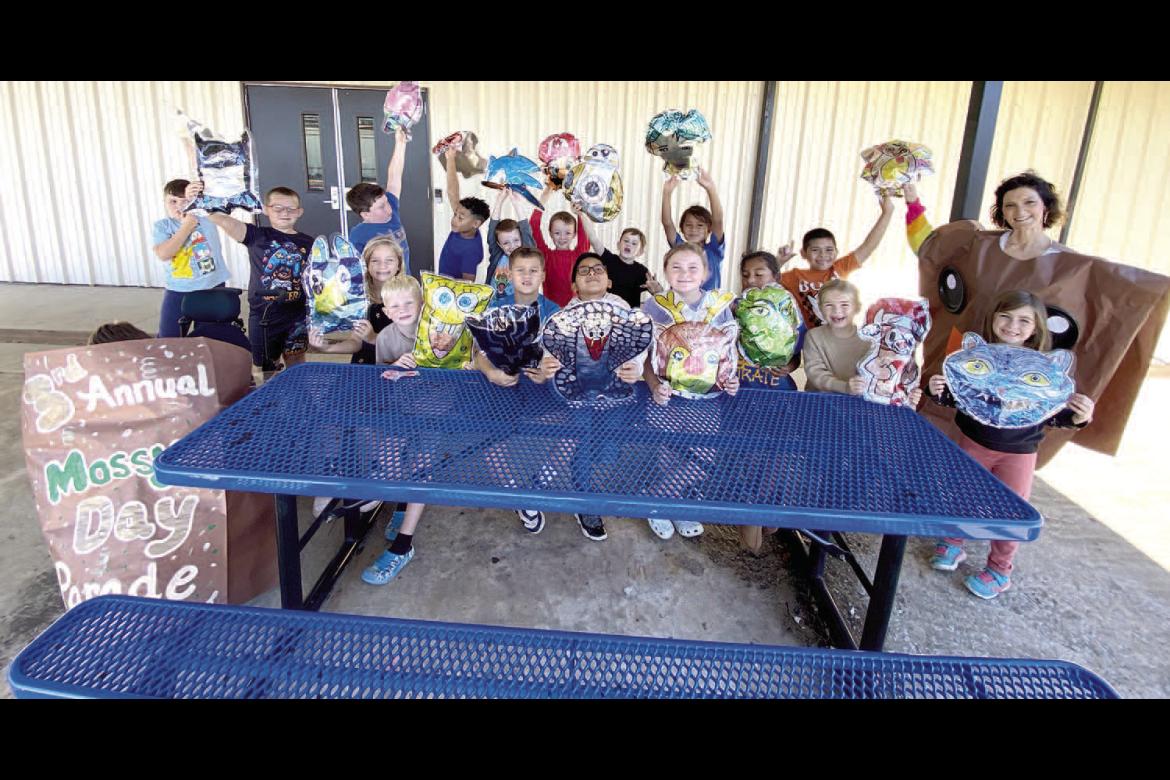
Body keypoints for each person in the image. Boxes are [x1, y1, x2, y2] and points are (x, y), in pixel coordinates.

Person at [925, 289, 1094, 599]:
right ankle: (954, 543)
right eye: (1006, 316)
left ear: (1036, 328)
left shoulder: (1043, 370)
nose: (1013, 325)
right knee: (960, 496)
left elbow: (1054, 415)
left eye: (1023, 320)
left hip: (1019, 452)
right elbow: (962, 400)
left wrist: (1079, 417)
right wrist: (936, 390)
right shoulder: (975, 357)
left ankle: (1000, 570)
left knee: (1011, 511)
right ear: (994, 319)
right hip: (972, 442)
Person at [641, 242, 740, 540]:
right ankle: (679, 505)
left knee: (703, 458)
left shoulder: (720, 306)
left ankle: (655, 500)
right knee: (669, 455)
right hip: (667, 399)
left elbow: (727, 354)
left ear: (706, 273)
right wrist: (654, 385)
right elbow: (645, 357)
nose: (685, 274)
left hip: (707, 401)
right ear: (666, 271)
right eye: (677, 267)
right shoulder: (654, 305)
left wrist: (730, 379)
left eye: (692, 267)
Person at [472, 246, 564, 535]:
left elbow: (561, 358)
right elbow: (477, 352)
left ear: (543, 275)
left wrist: (549, 373)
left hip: (541, 390)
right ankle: (518, 495)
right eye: (520, 271)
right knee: (488, 447)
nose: (526, 276)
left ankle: (538, 485)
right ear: (508, 275)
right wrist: (491, 373)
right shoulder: (494, 307)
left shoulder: (554, 311)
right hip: (503, 386)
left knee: (571, 434)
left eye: (533, 270)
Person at [361, 274, 430, 585]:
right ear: (386, 310)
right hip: (399, 410)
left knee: (421, 468)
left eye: (408, 303)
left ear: (421, 303)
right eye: (395, 305)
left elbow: (454, 365)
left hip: (434, 411)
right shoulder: (387, 336)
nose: (403, 309)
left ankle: (404, 544)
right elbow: (382, 378)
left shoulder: (436, 330)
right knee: (389, 457)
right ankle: (397, 500)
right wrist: (395, 368)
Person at [207, 187, 313, 377]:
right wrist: (201, 193)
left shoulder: (309, 242)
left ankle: (299, 399)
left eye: (291, 209)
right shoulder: (255, 234)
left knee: (296, 361)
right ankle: (268, 402)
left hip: (297, 315)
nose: (285, 213)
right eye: (278, 208)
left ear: (300, 212)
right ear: (265, 209)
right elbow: (217, 217)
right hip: (264, 317)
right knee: (265, 367)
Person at [779, 194, 894, 328]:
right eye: (815, 250)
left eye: (829, 250)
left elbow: (868, 246)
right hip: (810, 341)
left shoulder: (839, 268)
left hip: (839, 338)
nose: (823, 255)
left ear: (836, 252)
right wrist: (779, 262)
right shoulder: (794, 276)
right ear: (803, 253)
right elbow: (764, 283)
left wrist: (887, 212)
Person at [307, 237, 404, 365]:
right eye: (375, 260)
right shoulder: (359, 299)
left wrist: (373, 338)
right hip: (364, 366)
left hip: (397, 365)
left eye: (389, 260)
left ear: (399, 265)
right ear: (366, 265)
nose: (382, 265)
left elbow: (410, 343)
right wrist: (327, 348)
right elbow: (356, 342)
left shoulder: (408, 298)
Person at [152, 179, 230, 337]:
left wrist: (197, 195)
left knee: (210, 338)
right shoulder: (162, 226)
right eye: (173, 201)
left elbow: (214, 191)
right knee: (169, 339)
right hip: (178, 290)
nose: (179, 206)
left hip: (211, 286)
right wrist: (186, 226)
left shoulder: (206, 217)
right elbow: (164, 253)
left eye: (185, 201)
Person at [737, 250, 804, 392]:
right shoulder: (733, 308)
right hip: (739, 390)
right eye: (745, 275)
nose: (750, 280)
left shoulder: (788, 311)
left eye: (759, 275)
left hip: (776, 390)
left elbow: (796, 355)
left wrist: (789, 367)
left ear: (777, 277)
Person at [346, 127, 411, 271]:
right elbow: (356, 269)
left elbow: (394, 176)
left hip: (405, 284)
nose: (388, 208)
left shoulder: (391, 209)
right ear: (365, 214)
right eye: (381, 207)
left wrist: (401, 143)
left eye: (386, 202)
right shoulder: (358, 235)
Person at [660, 168, 725, 291]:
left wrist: (710, 188)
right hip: (680, 305)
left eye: (700, 225)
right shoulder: (679, 247)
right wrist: (667, 193)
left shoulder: (714, 250)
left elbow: (718, 220)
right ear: (682, 229)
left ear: (709, 229)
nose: (694, 229)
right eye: (689, 225)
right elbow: (667, 223)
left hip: (708, 307)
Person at [578, 217, 662, 308]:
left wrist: (657, 290)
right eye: (626, 241)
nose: (629, 244)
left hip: (628, 315)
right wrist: (581, 213)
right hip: (607, 310)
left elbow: (662, 296)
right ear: (618, 245)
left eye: (634, 243)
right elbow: (593, 239)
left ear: (640, 252)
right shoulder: (609, 259)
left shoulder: (642, 271)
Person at [437, 147, 489, 281]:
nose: (454, 219)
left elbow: (468, 283)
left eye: (460, 217)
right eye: (455, 215)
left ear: (476, 223)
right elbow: (452, 191)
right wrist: (450, 159)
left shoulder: (471, 251)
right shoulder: (463, 228)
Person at [529, 195, 590, 307]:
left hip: (575, 310)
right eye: (557, 233)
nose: (562, 238)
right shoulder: (545, 256)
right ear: (551, 233)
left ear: (574, 234)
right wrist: (546, 194)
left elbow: (585, 232)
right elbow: (533, 226)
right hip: (551, 312)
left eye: (567, 233)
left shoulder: (580, 255)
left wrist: (579, 213)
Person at [483, 190, 536, 300]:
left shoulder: (527, 256)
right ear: (499, 245)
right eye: (506, 243)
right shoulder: (498, 256)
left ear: (522, 239)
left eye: (516, 240)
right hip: (494, 307)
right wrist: (499, 201)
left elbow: (526, 231)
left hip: (518, 309)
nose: (512, 246)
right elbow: (492, 230)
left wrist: (516, 203)